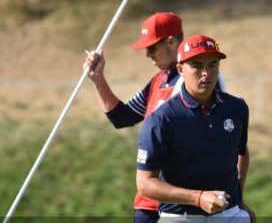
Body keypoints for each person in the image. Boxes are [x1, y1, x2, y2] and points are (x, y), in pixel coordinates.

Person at [83, 12, 226, 223]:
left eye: (152, 48)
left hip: (183, 206)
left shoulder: (203, 82)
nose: (148, 55)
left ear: (170, 41)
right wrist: (98, 79)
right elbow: (122, 118)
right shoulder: (158, 81)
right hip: (148, 201)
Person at [136, 35, 255, 222]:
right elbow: (145, 184)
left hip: (230, 215)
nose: (206, 73)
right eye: (197, 66)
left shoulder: (237, 108)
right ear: (180, 69)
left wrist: (239, 200)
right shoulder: (161, 119)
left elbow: (241, 153)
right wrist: (197, 198)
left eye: (212, 65)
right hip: (179, 217)